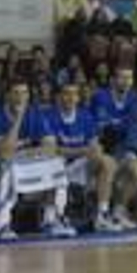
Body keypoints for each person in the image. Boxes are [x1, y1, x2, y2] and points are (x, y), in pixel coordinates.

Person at [0, 81, 73, 240]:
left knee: (57, 163)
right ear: (7, 96)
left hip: (27, 163)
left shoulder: (35, 113)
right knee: (7, 168)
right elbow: (4, 151)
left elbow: (50, 145)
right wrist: (18, 118)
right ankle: (2, 224)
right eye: (16, 92)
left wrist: (25, 152)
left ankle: (52, 219)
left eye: (24, 93)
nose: (21, 97)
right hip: (3, 166)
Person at [47, 82, 120, 232]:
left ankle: (102, 214)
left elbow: (94, 146)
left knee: (108, 162)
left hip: (81, 165)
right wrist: (82, 150)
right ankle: (52, 216)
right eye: (66, 93)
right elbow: (52, 150)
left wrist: (91, 152)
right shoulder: (49, 116)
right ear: (59, 97)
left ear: (78, 98)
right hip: (57, 167)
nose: (70, 98)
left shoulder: (85, 116)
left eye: (74, 94)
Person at [89, 66, 137, 230]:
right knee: (109, 164)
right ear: (113, 80)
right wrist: (120, 125)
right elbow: (103, 128)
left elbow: (132, 127)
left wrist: (130, 151)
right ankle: (101, 215)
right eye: (122, 77)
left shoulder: (135, 99)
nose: (126, 82)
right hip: (99, 148)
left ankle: (118, 212)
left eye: (129, 78)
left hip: (123, 148)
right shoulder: (100, 96)